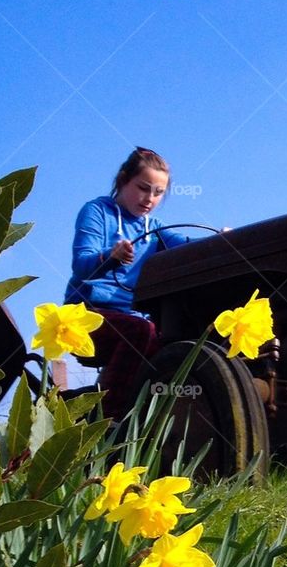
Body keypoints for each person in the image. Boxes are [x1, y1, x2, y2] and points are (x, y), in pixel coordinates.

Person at [64, 146, 192, 418]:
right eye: (143, 188)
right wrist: (109, 257)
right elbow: (81, 265)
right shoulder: (97, 211)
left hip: (130, 318)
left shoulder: (154, 228)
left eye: (158, 193)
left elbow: (187, 246)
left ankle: (148, 422)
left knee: (169, 342)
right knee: (141, 331)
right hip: (85, 313)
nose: (150, 199)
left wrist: (224, 240)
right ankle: (108, 420)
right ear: (123, 180)